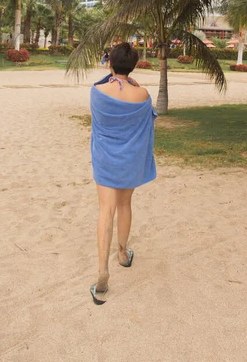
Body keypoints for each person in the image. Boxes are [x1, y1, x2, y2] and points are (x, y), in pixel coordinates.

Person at [89, 42, 157, 305]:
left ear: (109, 63)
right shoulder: (142, 94)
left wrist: (113, 77)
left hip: (105, 157)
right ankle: (122, 254)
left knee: (106, 210)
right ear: (134, 65)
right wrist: (133, 85)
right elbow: (149, 118)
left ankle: (102, 271)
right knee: (125, 204)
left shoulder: (97, 91)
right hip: (130, 158)